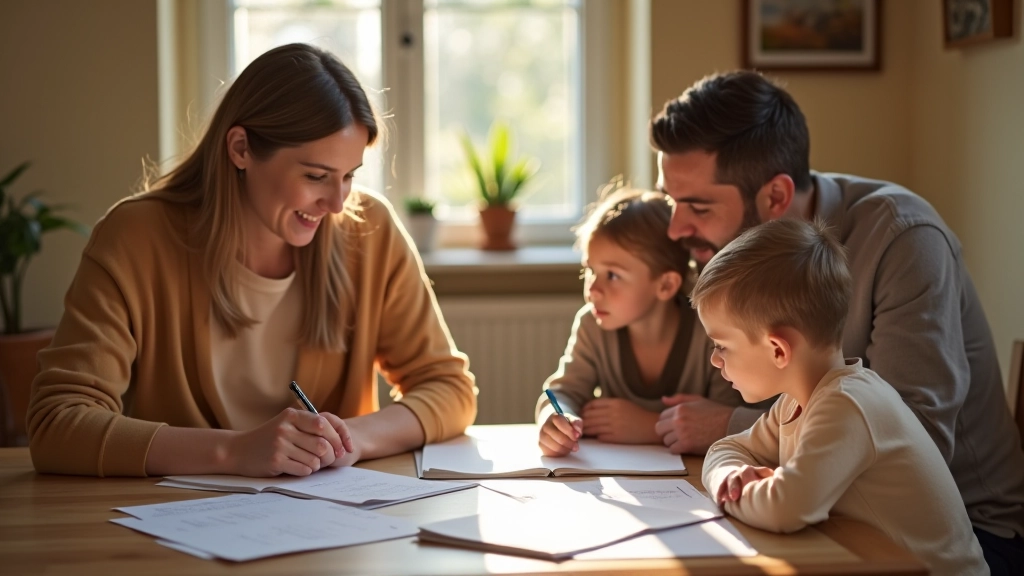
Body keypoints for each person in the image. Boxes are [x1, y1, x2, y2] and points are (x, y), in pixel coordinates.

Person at [26, 43, 476, 478]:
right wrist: (234, 451)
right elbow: (57, 422)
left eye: (348, 177)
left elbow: (449, 389)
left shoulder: (368, 230)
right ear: (241, 148)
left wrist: (352, 439)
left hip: (328, 518)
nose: (337, 203)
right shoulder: (135, 238)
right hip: (174, 518)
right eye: (316, 176)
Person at [651, 69, 1023, 573]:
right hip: (832, 511)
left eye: (697, 206)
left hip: (969, 536)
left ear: (775, 197)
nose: (676, 228)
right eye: (671, 201)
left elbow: (922, 431)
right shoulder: (736, 262)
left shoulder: (903, 238)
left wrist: (725, 428)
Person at [695, 218, 988, 576]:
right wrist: (730, 476)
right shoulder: (796, 402)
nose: (715, 359)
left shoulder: (847, 404)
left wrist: (731, 496)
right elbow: (726, 448)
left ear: (778, 349)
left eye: (722, 346)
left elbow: (787, 509)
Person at [535, 186, 762, 457]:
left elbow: (728, 421)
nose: (592, 290)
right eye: (590, 271)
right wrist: (557, 418)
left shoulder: (711, 334)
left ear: (665, 285)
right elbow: (562, 392)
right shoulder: (591, 325)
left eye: (613, 275)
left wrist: (651, 427)